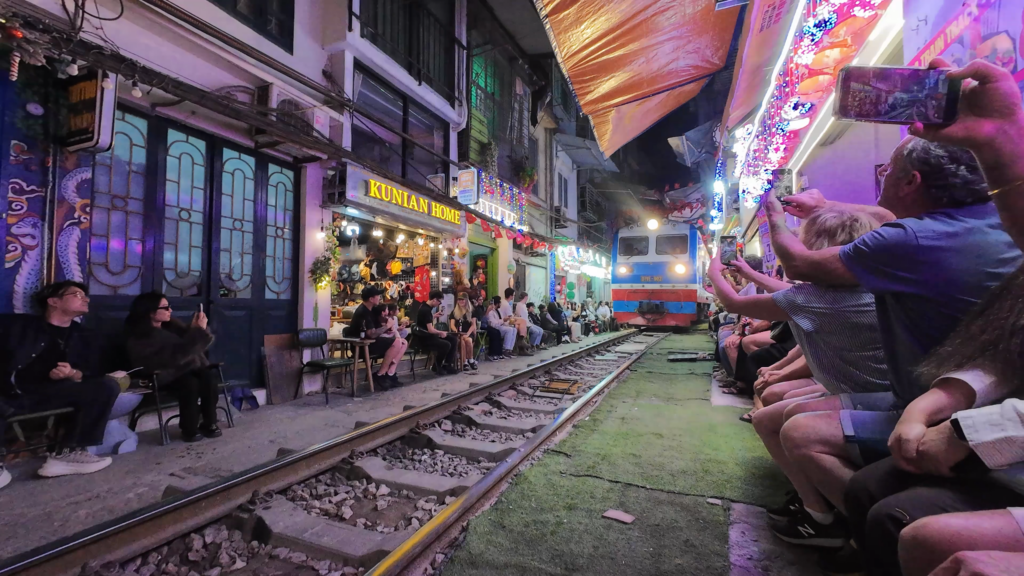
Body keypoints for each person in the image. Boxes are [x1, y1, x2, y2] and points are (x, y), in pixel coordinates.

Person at [762, 133, 1023, 549]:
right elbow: (885, 212)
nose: (881, 179)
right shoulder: (999, 219)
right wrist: (828, 207)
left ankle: (845, 531)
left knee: (803, 433)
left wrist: (773, 213)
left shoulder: (908, 241)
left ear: (910, 182)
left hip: (942, 406)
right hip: (972, 392)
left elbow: (799, 262)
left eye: (887, 172)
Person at [709, 205, 891, 547]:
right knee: (768, 419)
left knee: (792, 422)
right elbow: (788, 292)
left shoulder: (812, 299)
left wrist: (715, 270)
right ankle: (817, 509)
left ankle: (861, 530)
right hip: (871, 392)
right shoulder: (870, 286)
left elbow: (733, 301)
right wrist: (749, 271)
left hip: (875, 402)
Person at [0, 281, 118, 488]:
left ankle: (68, 454)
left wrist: (72, 373)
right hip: (11, 392)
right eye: (77, 294)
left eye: (85, 295)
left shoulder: (85, 335)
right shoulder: (18, 326)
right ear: (53, 301)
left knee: (106, 386)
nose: (86, 298)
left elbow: (90, 373)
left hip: (50, 394)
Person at [125, 292, 222, 443]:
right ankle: (189, 428)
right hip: (162, 375)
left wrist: (197, 329)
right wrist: (198, 333)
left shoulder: (172, 327)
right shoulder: (140, 337)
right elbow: (175, 357)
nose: (170, 310)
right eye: (165, 307)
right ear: (150, 312)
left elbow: (194, 348)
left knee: (209, 377)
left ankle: (209, 422)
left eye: (169, 306)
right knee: (190, 383)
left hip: (186, 369)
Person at [349, 286, 407, 389]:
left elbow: (380, 323)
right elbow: (371, 334)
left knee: (403, 343)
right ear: (371, 299)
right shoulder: (363, 312)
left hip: (372, 342)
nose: (380, 297)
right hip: (362, 345)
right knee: (396, 342)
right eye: (378, 296)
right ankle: (380, 374)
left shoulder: (372, 309)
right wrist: (387, 326)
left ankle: (390, 374)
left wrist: (388, 326)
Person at [415, 290, 458, 375]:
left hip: (428, 335)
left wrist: (434, 316)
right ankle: (437, 366)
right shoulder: (426, 310)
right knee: (446, 344)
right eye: (439, 301)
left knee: (453, 340)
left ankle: (447, 364)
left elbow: (425, 321)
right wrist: (440, 332)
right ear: (434, 299)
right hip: (425, 338)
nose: (439, 304)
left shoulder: (425, 307)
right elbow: (430, 330)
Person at [450, 293, 479, 372]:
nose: (461, 301)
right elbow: (452, 325)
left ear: (466, 300)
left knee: (468, 340)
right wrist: (456, 331)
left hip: (468, 332)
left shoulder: (472, 311)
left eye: (462, 299)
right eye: (459, 299)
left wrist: (467, 334)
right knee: (462, 342)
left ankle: (471, 360)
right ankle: (464, 362)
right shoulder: (454, 312)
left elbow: (473, 325)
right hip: (458, 333)